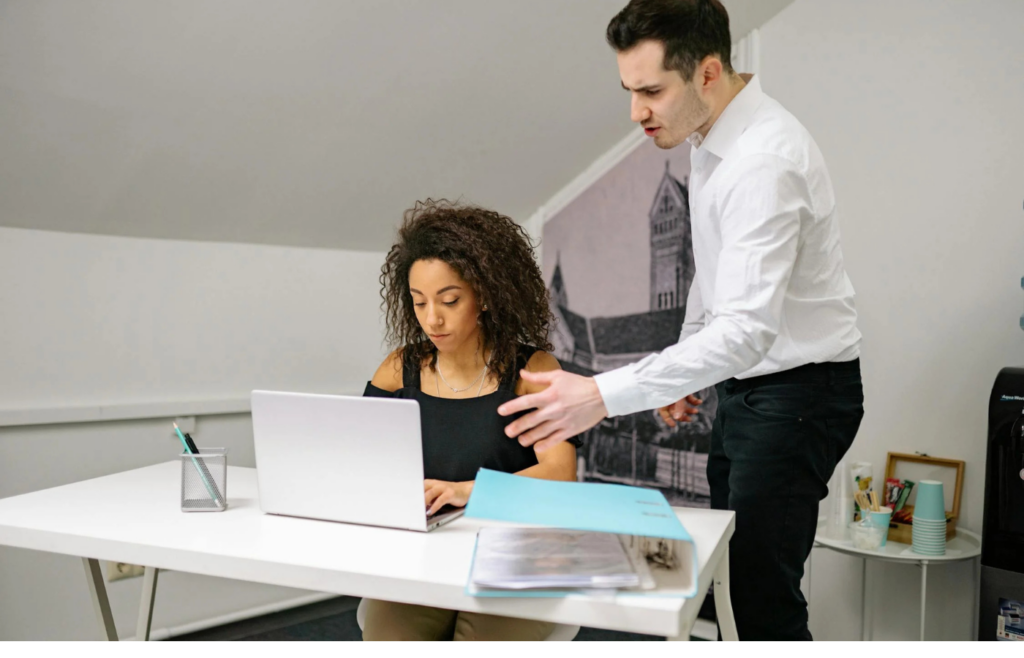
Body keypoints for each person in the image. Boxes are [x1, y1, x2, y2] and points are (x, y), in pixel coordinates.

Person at [498, 0, 864, 641]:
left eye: (650, 91)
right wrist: (686, 369)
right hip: (751, 386)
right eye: (628, 90)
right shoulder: (706, 135)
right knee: (728, 579)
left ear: (708, 72)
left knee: (761, 597)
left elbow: (749, 329)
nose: (635, 112)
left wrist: (602, 395)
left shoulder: (763, 162)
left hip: (799, 394)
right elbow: (713, 273)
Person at [361, 199, 580, 641]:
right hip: (427, 548)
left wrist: (466, 491)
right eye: (419, 303)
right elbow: (363, 457)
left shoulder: (532, 371)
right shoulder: (398, 369)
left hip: (517, 548)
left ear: (484, 294)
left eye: (449, 300)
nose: (432, 319)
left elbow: (560, 474)